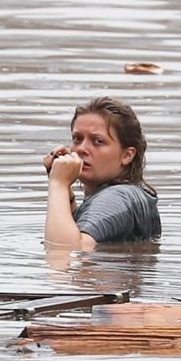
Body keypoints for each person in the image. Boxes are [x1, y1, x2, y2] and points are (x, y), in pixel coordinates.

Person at [43, 97, 160, 249]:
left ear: (127, 155)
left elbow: (65, 253)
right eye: (77, 139)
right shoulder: (128, 194)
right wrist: (65, 191)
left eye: (98, 141)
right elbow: (78, 232)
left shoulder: (117, 197)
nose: (82, 149)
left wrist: (58, 184)